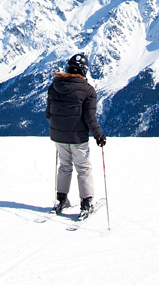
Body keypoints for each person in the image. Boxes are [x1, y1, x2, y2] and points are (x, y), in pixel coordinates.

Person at [45, 53, 107, 217]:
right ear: (84, 71)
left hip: (59, 136)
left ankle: (61, 199)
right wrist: (99, 136)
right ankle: (86, 203)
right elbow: (89, 118)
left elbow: (48, 113)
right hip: (78, 137)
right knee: (83, 168)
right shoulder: (88, 90)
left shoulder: (54, 86)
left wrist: (57, 128)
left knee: (64, 166)